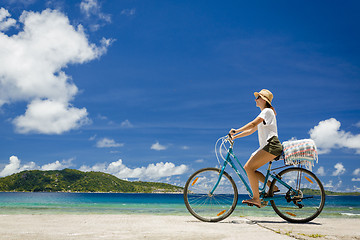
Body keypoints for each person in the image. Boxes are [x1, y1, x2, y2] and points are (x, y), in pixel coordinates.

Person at [229, 89, 283, 208]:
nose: (255, 99)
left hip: (271, 145)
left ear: (264, 100)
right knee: (248, 168)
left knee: (249, 168)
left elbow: (252, 124)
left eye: (258, 97)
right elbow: (250, 131)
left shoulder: (267, 111)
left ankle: (256, 199)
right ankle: (272, 186)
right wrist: (235, 137)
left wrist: (236, 130)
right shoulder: (265, 114)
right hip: (267, 147)